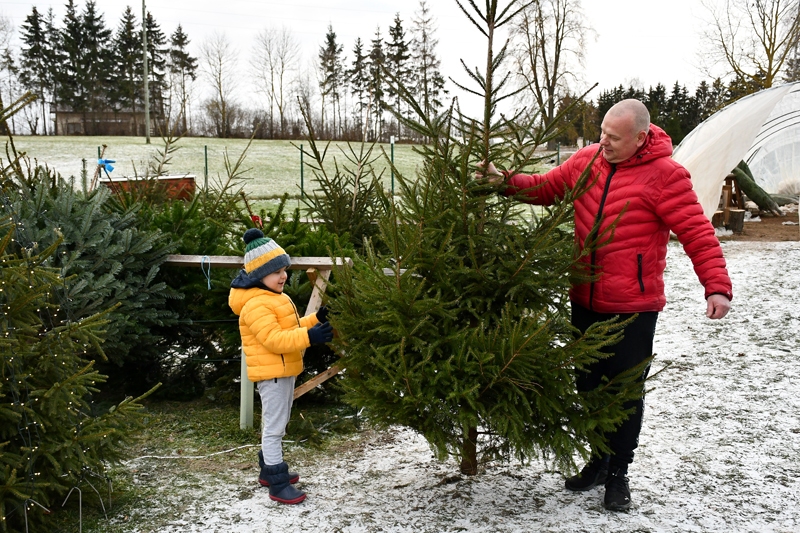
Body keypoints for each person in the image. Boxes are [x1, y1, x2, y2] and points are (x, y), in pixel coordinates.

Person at [479, 99, 732, 511]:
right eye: (602, 134)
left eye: (614, 138)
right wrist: (502, 181)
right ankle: (598, 460)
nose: (604, 143)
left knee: (624, 392)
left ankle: (619, 474)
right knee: (589, 386)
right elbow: (545, 188)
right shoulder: (586, 161)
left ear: (640, 138)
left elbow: (698, 233)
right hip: (584, 297)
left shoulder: (667, 177)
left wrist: (716, 286)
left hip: (633, 305)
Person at [228, 228, 333, 505]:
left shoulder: (275, 297)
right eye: (276, 271)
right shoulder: (255, 305)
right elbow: (274, 340)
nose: (283, 276)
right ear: (258, 274)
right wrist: (310, 338)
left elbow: (291, 327)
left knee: (279, 424)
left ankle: (267, 470)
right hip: (272, 374)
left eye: (284, 269)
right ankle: (277, 483)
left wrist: (313, 321)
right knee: (274, 429)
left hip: (284, 372)